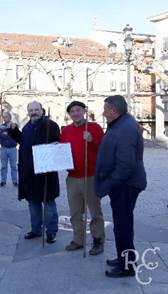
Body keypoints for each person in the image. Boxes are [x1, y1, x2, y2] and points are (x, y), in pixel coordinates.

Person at [95, 95, 146, 278]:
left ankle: (127, 266)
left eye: (105, 109)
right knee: (122, 224)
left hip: (125, 185)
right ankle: (125, 258)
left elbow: (125, 165)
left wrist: (110, 184)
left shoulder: (125, 128)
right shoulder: (122, 123)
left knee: (123, 226)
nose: (103, 113)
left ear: (114, 111)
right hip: (124, 184)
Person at [8, 101, 60, 244]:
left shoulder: (51, 125)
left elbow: (56, 144)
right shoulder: (27, 126)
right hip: (29, 172)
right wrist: (13, 131)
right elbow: (24, 143)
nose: (33, 112)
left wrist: (54, 145)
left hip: (45, 172)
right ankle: (36, 230)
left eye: (36, 110)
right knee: (33, 203)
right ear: (28, 112)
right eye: (31, 110)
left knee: (48, 204)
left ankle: (51, 232)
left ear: (42, 110)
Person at [60, 101, 105, 255]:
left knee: (94, 211)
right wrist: (55, 148)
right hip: (72, 177)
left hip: (90, 176)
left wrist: (92, 140)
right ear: (69, 114)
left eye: (78, 110)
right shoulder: (66, 130)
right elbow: (62, 151)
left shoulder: (94, 128)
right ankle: (78, 240)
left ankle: (98, 240)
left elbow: (105, 148)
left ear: (84, 111)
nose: (75, 113)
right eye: (72, 111)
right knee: (75, 212)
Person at [0, 111, 18, 187]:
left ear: (10, 117)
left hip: (13, 149)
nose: (4, 118)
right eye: (3, 117)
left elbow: (15, 136)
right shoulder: (1, 127)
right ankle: (3, 181)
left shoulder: (14, 126)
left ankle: (15, 181)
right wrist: (6, 134)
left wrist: (6, 134)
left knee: (13, 166)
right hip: (3, 149)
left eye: (6, 117)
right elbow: (0, 135)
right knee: (3, 166)